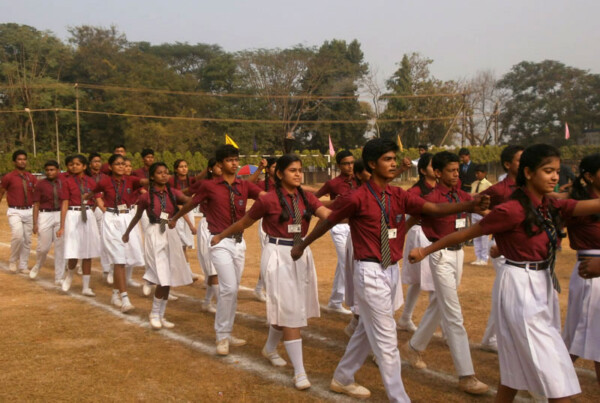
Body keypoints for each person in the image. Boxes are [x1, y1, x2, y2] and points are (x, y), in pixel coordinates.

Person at [291, 139, 489, 402]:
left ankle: (343, 377)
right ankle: (399, 398)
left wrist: (467, 206)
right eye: (387, 159)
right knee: (386, 339)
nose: (394, 163)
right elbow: (328, 221)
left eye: (395, 158)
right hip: (369, 271)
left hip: (391, 269)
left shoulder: (398, 195)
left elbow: (431, 209)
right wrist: (303, 244)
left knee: (367, 329)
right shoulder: (357, 197)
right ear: (372, 164)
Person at [407, 144, 600, 401]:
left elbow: (584, 206)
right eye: (548, 171)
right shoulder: (512, 209)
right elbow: (466, 232)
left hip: (543, 282)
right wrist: (425, 250)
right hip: (520, 285)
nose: (555, 176)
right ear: (529, 173)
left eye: (556, 171)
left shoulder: (549, 205)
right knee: (552, 366)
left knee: (516, 367)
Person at [212, 154, 328, 390]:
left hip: (302, 252)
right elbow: (244, 222)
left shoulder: (307, 197)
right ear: (279, 174)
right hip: (278, 255)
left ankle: (270, 348)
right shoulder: (269, 200)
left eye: (300, 170)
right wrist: (222, 235)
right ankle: (300, 371)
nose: (298, 174)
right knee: (291, 311)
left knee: (292, 308)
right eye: (292, 170)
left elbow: (327, 215)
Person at [401, 151, 489, 395]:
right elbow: (408, 222)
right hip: (439, 256)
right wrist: (395, 243)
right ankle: (466, 374)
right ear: (437, 173)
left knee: (439, 305)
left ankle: (414, 346)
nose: (456, 174)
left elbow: (484, 213)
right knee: (453, 314)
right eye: (451, 170)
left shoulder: (461, 195)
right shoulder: (431, 199)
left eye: (457, 169)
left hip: (459, 254)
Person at [170, 145, 265, 355]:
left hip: (239, 243)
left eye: (236, 159)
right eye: (230, 160)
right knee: (228, 288)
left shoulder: (244, 185)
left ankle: (227, 332)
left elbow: (266, 197)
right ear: (220, 164)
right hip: (219, 241)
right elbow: (191, 203)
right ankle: (222, 336)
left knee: (233, 289)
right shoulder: (209, 186)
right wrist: (175, 218)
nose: (234, 163)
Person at [123, 162, 193, 329]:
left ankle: (161, 315)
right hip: (155, 232)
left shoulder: (172, 192)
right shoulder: (146, 196)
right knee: (162, 276)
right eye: (160, 173)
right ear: (152, 176)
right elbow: (138, 216)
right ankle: (154, 313)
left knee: (168, 277)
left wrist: (176, 217)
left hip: (170, 231)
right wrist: (127, 233)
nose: (164, 175)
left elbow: (190, 201)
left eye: (166, 172)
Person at [479, 145, 524, 352]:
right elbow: (475, 204)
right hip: (501, 247)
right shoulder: (499, 189)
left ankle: (490, 337)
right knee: (509, 295)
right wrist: (495, 220)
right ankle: (497, 338)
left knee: (508, 295)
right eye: (520, 159)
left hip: (521, 247)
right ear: (508, 164)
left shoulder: (527, 187)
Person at [562, 153, 600, 385]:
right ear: (589, 176)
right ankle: (550, 383)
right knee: (578, 336)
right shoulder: (577, 202)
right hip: (591, 273)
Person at [93, 154, 146, 312]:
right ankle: (124, 298)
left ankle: (115, 294)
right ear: (110, 167)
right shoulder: (104, 182)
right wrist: (89, 200)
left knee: (125, 258)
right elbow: (94, 193)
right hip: (111, 218)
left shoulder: (131, 180)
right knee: (119, 259)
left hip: (128, 218)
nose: (121, 166)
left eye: (123, 164)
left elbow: (145, 183)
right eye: (117, 164)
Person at [314, 150, 357, 314]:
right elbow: (314, 200)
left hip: (354, 225)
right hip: (338, 227)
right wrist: (333, 202)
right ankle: (355, 307)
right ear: (339, 165)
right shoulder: (333, 183)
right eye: (346, 163)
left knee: (344, 262)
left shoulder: (359, 180)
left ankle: (335, 300)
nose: (350, 166)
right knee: (349, 262)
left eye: (352, 162)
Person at [397, 152, 436, 332]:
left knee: (424, 280)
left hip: (437, 233)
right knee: (427, 280)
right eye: (431, 165)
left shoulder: (442, 188)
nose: (436, 169)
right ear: (422, 170)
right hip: (420, 233)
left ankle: (406, 317)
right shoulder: (415, 191)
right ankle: (437, 324)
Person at [57, 155, 101, 296]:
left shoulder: (91, 181)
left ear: (84, 166)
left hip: (87, 214)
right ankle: (69, 276)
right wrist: (62, 225)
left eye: (78, 164)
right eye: (72, 164)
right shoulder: (67, 182)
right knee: (73, 249)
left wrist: (103, 212)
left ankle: (86, 286)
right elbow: (64, 203)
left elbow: (98, 200)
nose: (75, 166)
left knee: (87, 252)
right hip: (73, 214)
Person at [0, 150, 37, 274]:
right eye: (19, 159)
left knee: (27, 239)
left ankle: (23, 265)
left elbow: (37, 193)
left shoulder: (31, 177)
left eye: (24, 159)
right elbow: (1, 192)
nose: (22, 161)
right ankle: (13, 260)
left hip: (29, 210)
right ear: (14, 162)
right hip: (15, 210)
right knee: (17, 235)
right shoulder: (8, 177)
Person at [30, 160, 64, 284]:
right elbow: (36, 204)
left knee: (60, 247)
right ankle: (38, 265)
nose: (49, 172)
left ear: (58, 170)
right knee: (43, 247)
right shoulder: (40, 184)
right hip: (45, 214)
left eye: (52, 169)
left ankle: (59, 277)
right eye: (47, 170)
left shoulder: (63, 183)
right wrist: (35, 223)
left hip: (60, 214)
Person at [168, 159, 199, 280]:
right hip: (177, 214)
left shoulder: (190, 180)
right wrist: (191, 224)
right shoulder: (171, 182)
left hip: (188, 212)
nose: (184, 169)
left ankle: (186, 271)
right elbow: (179, 206)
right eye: (181, 167)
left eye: (186, 166)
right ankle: (179, 271)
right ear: (176, 169)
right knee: (178, 244)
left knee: (184, 246)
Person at [252, 157, 277, 302]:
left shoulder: (282, 183)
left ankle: (259, 288)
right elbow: (246, 185)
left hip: (279, 222)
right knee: (268, 258)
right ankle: (264, 289)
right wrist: (259, 168)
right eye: (273, 167)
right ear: (268, 170)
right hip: (266, 223)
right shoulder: (262, 184)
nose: (276, 169)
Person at [88, 152, 113, 283]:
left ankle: (106, 269)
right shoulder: (86, 177)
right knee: (87, 238)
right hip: (89, 209)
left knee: (104, 239)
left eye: (99, 161)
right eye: (94, 161)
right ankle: (82, 264)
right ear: (90, 163)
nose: (97, 163)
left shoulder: (106, 177)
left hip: (103, 209)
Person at [470, 164, 493, 266]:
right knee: (475, 236)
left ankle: (484, 258)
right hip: (474, 211)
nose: (477, 175)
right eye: (476, 173)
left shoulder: (489, 184)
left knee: (484, 236)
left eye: (479, 173)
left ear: (484, 173)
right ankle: (478, 257)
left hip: (483, 212)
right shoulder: (473, 184)